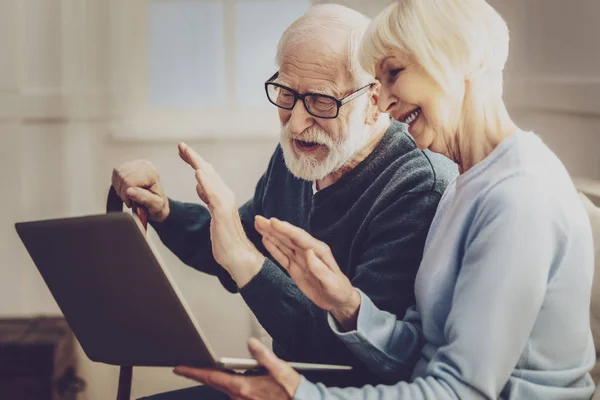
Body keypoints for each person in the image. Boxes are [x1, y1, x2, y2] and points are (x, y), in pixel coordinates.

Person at [171, 0, 597, 399]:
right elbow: (419, 351)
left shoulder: (518, 197)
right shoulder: (468, 185)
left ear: (453, 61)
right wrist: (347, 303)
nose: (384, 100)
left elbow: (458, 391)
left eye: (393, 73)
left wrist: (303, 395)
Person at [112, 4, 457, 398]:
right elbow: (232, 244)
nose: (295, 123)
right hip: (280, 382)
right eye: (286, 94)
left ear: (373, 99)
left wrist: (246, 260)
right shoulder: (300, 159)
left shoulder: (417, 185)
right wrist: (164, 211)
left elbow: (359, 356)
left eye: (321, 101)